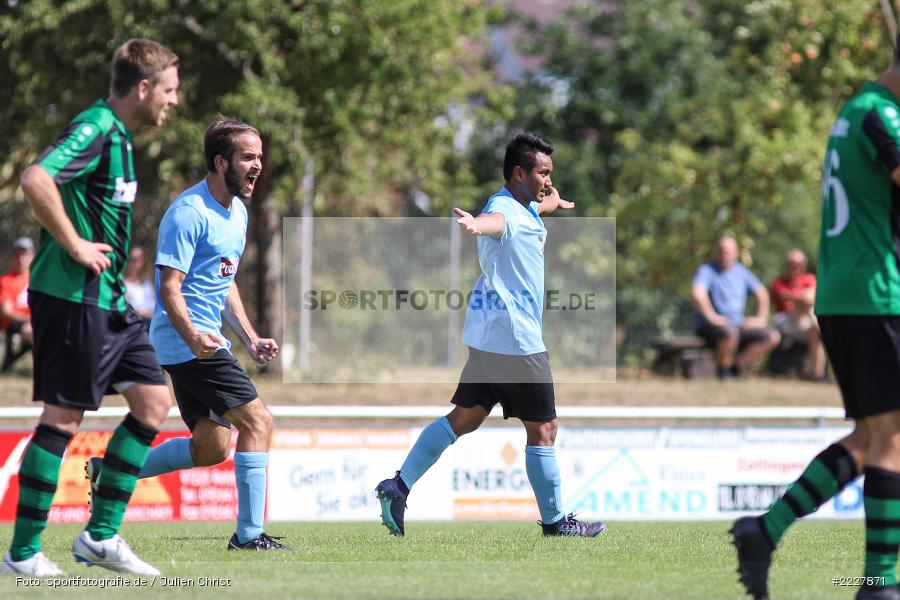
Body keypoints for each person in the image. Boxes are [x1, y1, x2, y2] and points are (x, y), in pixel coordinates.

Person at [2, 39, 179, 577]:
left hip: (109, 302)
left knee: (152, 401)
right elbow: (36, 178)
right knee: (63, 418)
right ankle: (23, 553)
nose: (174, 101)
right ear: (143, 88)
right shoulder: (98, 126)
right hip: (72, 297)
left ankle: (99, 538)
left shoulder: (123, 139)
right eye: (169, 90)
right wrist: (76, 245)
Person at [731, 44, 900, 600]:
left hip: (848, 295)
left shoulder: (858, 111)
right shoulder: (880, 112)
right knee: (893, 440)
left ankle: (764, 530)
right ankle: (880, 583)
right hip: (876, 294)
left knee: (870, 438)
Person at [375, 133, 605, 538]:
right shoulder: (504, 213)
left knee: (465, 418)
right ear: (519, 173)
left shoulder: (525, 206)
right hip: (517, 342)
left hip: (487, 337)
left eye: (551, 172)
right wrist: (475, 225)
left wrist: (554, 200)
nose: (548, 180)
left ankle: (399, 485)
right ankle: (556, 523)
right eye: (542, 172)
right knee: (544, 429)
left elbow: (537, 207)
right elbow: (494, 223)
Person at [87, 118, 286, 551]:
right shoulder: (188, 213)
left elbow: (224, 279)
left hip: (205, 342)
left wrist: (250, 337)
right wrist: (195, 337)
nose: (258, 166)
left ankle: (111, 472)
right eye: (248, 157)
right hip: (189, 344)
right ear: (221, 161)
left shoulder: (237, 212)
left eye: (259, 157)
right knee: (259, 421)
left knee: (212, 449)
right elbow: (168, 287)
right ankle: (250, 536)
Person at [691, 236, 781, 379]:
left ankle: (736, 367)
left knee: (772, 336)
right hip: (712, 326)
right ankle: (724, 370)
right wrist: (711, 317)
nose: (724, 253)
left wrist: (761, 318)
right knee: (729, 332)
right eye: (721, 250)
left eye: (728, 250)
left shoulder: (742, 272)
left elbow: (761, 293)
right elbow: (697, 293)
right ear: (716, 252)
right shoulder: (707, 270)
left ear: (736, 253)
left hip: (738, 323)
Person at [770, 249, 826, 380]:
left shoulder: (809, 278)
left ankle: (817, 375)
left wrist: (796, 298)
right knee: (805, 307)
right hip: (785, 321)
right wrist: (803, 297)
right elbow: (804, 299)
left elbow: (811, 298)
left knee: (814, 332)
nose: (794, 266)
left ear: (804, 265)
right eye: (791, 263)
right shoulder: (778, 282)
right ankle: (823, 330)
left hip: (806, 322)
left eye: (798, 263)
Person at [0, 237, 35, 370]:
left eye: (25, 255)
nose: (21, 259)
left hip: (35, 321)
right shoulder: (6, 280)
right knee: (31, 330)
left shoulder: (36, 279)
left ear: (32, 257)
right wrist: (30, 319)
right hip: (13, 324)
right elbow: (6, 312)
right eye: (17, 255)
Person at [123, 247, 155, 329]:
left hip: (150, 322)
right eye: (133, 259)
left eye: (139, 260)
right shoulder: (123, 283)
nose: (136, 263)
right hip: (133, 323)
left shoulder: (147, 283)